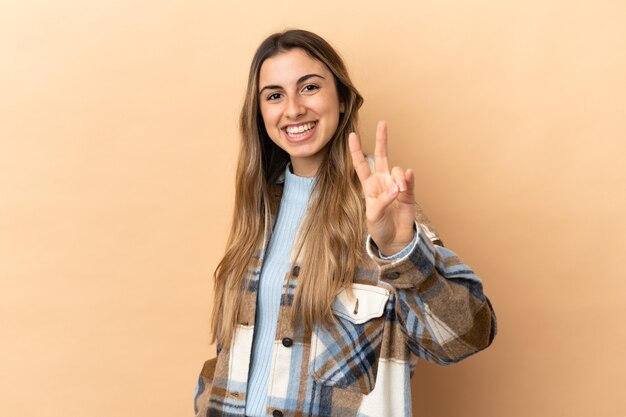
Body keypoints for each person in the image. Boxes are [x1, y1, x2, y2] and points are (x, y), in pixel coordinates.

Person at [194, 29, 496, 417]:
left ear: (341, 99)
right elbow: (230, 356)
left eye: (309, 87)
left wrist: (400, 252)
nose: (293, 109)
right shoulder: (259, 209)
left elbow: (465, 337)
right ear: (260, 114)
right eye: (274, 95)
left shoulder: (380, 205)